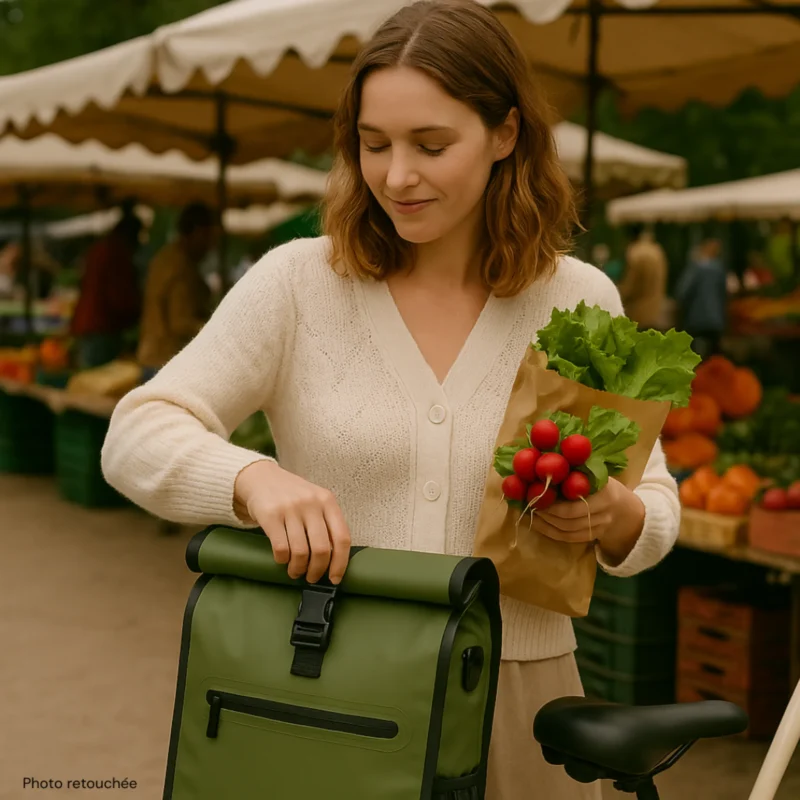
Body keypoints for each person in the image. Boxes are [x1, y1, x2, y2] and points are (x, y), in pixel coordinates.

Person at [101, 2, 679, 797]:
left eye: (431, 146)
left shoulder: (576, 299)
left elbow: (653, 497)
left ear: (506, 134)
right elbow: (135, 433)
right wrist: (251, 479)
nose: (397, 176)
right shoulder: (299, 284)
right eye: (373, 145)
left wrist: (614, 517)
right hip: (333, 683)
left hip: (523, 701)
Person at [136, 202, 216, 370]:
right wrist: (215, 328)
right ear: (196, 232)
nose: (210, 245)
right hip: (164, 360)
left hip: (153, 356)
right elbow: (179, 322)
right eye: (208, 236)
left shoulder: (165, 257)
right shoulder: (180, 267)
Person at [70, 213, 143, 369]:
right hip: (102, 328)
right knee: (98, 382)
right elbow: (119, 297)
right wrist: (137, 313)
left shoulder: (100, 248)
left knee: (91, 379)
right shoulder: (116, 253)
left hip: (90, 325)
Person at [676, 236, 727, 359]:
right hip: (716, 321)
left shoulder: (695, 269)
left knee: (692, 357)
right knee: (714, 356)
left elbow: (682, 292)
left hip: (695, 320)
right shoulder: (720, 269)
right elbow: (724, 295)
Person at [617, 224, 668, 330]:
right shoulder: (656, 249)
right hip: (655, 311)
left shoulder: (636, 253)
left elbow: (631, 286)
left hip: (638, 313)